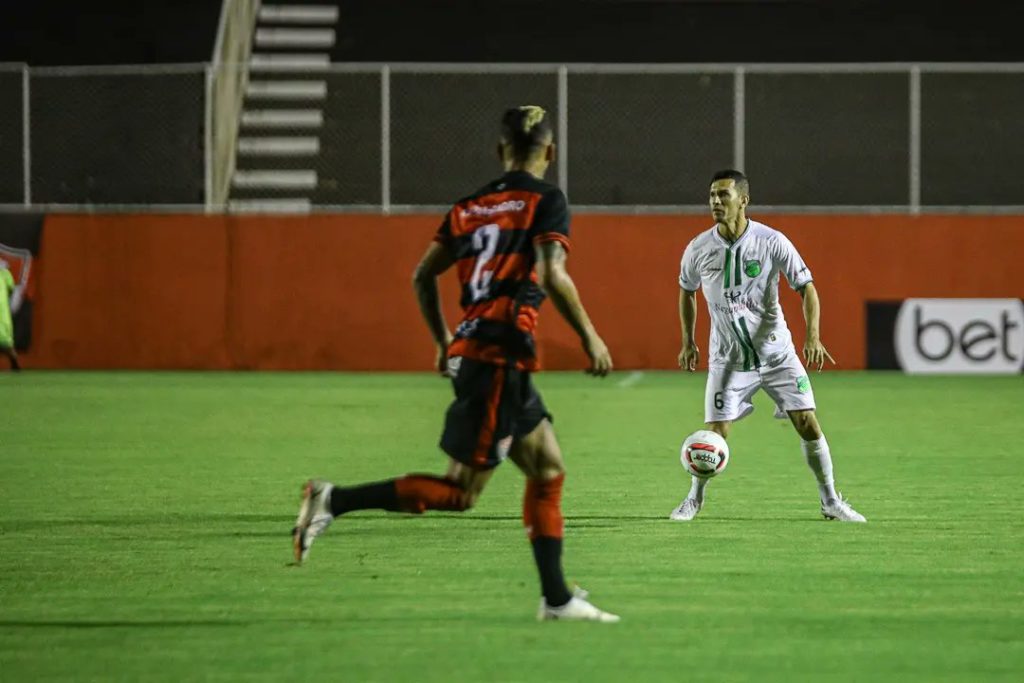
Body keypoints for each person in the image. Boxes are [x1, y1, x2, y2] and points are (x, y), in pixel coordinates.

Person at [292, 105, 620, 622]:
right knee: (461, 493)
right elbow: (553, 273)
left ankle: (556, 599)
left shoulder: (469, 206)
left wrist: (445, 339)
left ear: (499, 151)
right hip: (500, 354)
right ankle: (332, 500)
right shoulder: (546, 200)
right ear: (549, 152)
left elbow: (423, 277)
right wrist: (592, 337)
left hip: (477, 350)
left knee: (548, 467)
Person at [671, 170, 865, 523]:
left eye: (723, 195)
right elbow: (687, 290)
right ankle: (693, 501)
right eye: (712, 195)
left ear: (743, 200)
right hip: (728, 360)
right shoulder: (699, 248)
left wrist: (813, 335)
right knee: (715, 432)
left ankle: (831, 501)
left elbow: (806, 287)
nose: (715, 201)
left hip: (777, 355)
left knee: (807, 422)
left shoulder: (772, 241)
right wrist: (688, 340)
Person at [0, 259, 21, 371]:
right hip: (3, 311)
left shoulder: (4, 272)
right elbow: (12, 288)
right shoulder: (4, 272)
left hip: (2, 311)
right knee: (6, 340)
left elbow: (11, 287)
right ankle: (15, 363)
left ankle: (15, 363)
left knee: (6, 340)